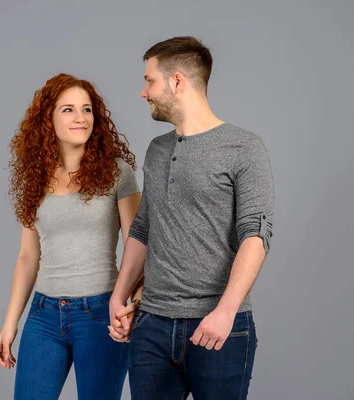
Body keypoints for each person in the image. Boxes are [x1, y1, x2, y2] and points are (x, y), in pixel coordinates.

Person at [108, 36, 275, 399]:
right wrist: (119, 297)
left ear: (177, 82)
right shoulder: (157, 150)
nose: (143, 91)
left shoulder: (244, 148)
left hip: (219, 328)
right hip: (151, 326)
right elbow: (143, 228)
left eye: (149, 80)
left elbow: (256, 236)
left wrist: (225, 312)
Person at [0, 73, 143, 400]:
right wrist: (10, 324)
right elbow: (27, 257)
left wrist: (138, 304)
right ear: (48, 118)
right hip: (44, 316)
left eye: (87, 109)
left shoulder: (118, 173)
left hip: (102, 313)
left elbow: (139, 246)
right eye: (68, 109)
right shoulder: (35, 178)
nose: (80, 118)